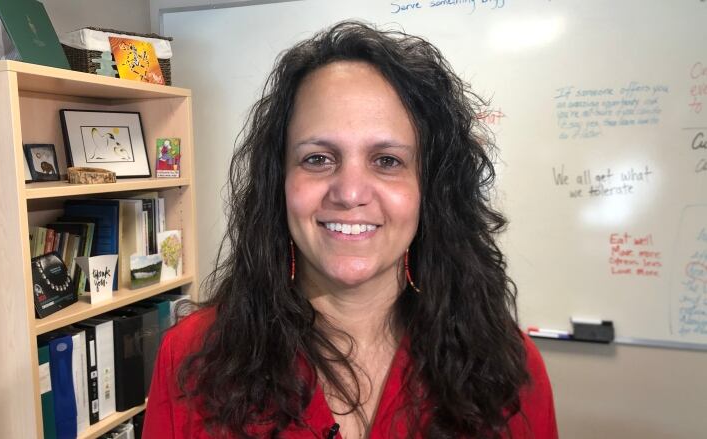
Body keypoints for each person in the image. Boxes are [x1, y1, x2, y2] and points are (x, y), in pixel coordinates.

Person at [143, 21, 557, 439]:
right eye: (318, 159)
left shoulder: (509, 369)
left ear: (429, 189)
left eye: (388, 161)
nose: (350, 191)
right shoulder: (190, 358)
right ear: (278, 182)